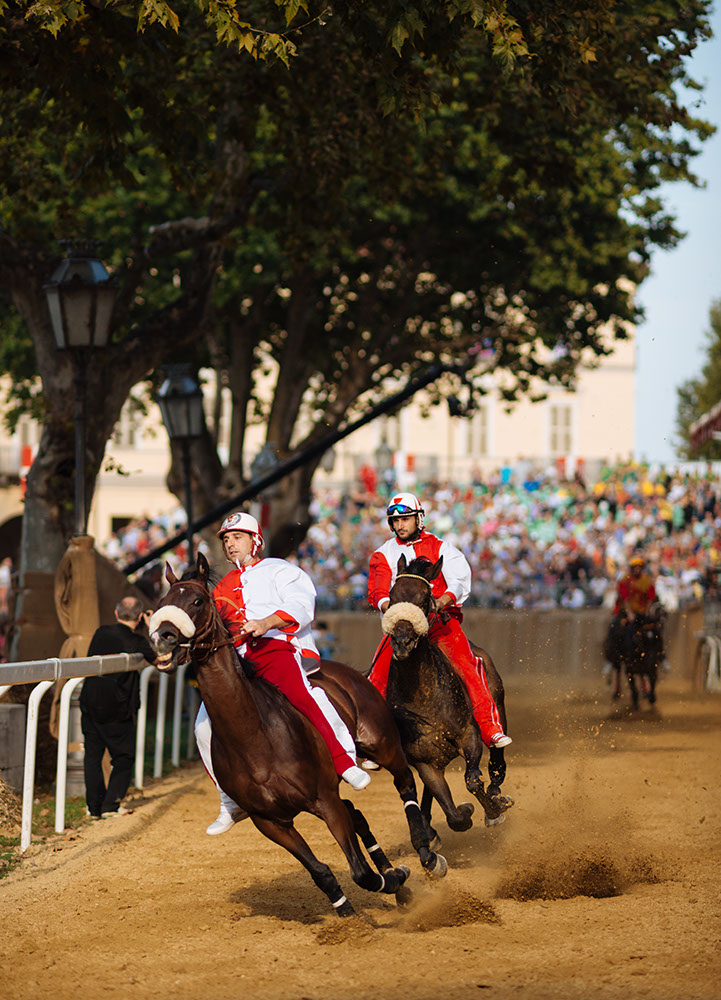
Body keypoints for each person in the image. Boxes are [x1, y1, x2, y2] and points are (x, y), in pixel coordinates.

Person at [198, 511, 369, 836]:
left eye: (237, 537)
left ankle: (344, 761)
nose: (230, 544)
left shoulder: (279, 569)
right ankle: (229, 800)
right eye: (226, 539)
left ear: (255, 539)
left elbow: (302, 605)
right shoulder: (221, 587)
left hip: (274, 648)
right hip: (236, 664)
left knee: (304, 696)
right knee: (202, 728)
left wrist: (265, 623)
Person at [367, 492, 511, 748]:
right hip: (401, 628)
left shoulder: (442, 548)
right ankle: (374, 743)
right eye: (395, 521)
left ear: (419, 519)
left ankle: (490, 730)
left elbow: (459, 580)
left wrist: (443, 600)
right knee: (375, 678)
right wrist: (397, 611)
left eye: (406, 519)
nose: (400, 526)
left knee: (470, 665)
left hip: (440, 625)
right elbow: (377, 592)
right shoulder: (382, 554)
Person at [80, 596, 156, 819]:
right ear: (140, 617)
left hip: (90, 702)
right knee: (124, 757)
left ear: (116, 614)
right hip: (118, 709)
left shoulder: (101, 632)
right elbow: (163, 659)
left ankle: (94, 807)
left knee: (92, 757)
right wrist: (151, 629)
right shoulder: (138, 642)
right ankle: (110, 805)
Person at [605, 554, 660, 698]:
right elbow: (625, 599)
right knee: (614, 629)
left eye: (639, 567)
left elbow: (650, 599)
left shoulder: (647, 581)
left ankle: (661, 656)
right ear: (631, 568)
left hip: (642, 614)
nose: (637, 569)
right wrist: (629, 613)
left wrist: (647, 613)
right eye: (635, 567)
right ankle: (613, 657)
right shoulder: (624, 581)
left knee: (655, 631)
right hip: (627, 614)